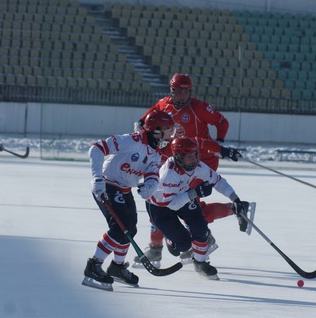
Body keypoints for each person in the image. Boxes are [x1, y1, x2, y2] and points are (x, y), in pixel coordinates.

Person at [133, 73, 241, 267]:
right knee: (160, 202)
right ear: (171, 90)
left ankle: (204, 239)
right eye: (177, 91)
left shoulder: (199, 108)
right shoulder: (163, 105)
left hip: (200, 162)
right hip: (172, 163)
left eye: (185, 91)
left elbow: (222, 122)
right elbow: (143, 122)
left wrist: (220, 144)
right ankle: (158, 248)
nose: (182, 95)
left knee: (190, 204)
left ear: (190, 91)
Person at [82, 110, 175, 291]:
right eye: (168, 130)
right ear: (156, 130)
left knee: (130, 229)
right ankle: (93, 265)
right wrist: (97, 177)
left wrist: (150, 185)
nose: (170, 134)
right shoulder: (132, 141)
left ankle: (117, 267)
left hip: (124, 189)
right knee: (119, 228)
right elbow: (97, 148)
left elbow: (152, 173)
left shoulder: (156, 152)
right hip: (107, 185)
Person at [146, 137, 249, 279]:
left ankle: (200, 263)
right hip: (160, 205)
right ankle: (169, 238)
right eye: (189, 157)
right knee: (181, 246)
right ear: (178, 157)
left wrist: (234, 198)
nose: (194, 160)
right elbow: (171, 204)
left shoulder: (198, 166)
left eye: (195, 155)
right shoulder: (169, 173)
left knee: (200, 226)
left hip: (182, 195)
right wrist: (194, 193)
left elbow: (217, 181)